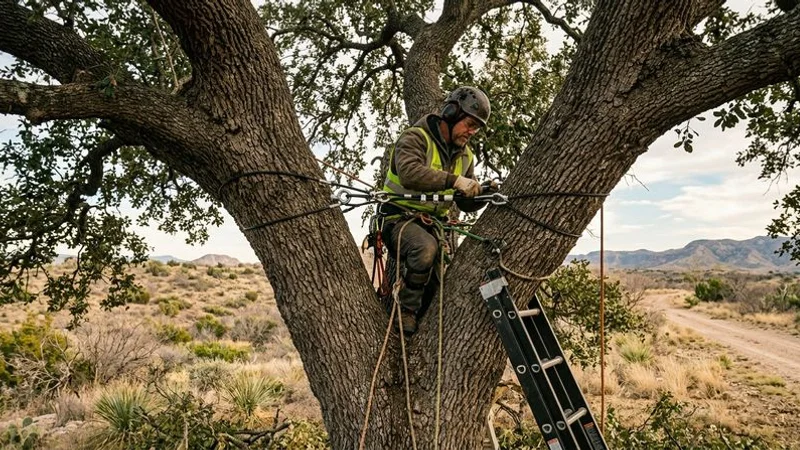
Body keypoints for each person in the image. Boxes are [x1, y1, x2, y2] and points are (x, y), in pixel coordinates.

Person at [380, 86, 493, 334]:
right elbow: (410, 173)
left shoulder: (466, 156)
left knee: (440, 290)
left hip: (433, 227)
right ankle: (405, 312)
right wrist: (454, 181)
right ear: (451, 113)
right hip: (398, 220)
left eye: (476, 128)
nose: (471, 133)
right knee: (424, 249)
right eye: (470, 124)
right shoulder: (415, 138)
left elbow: (464, 203)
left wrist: (484, 194)